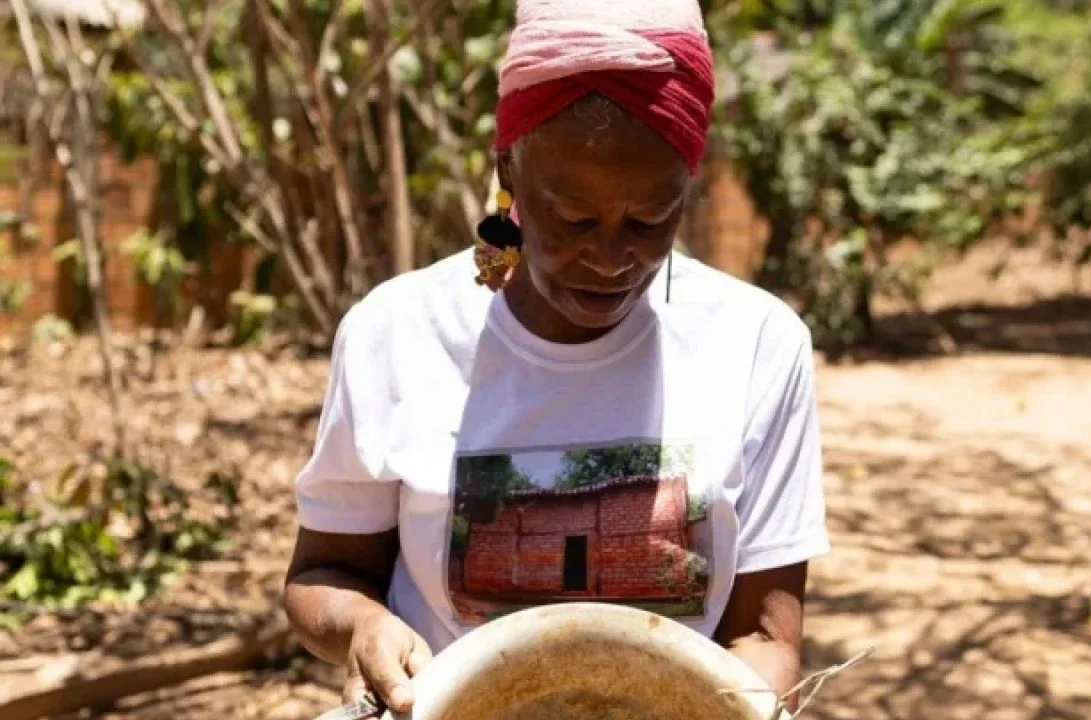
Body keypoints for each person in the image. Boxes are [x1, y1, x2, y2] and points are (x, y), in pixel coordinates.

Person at [283, 0, 829, 715]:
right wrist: (365, 626)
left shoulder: (757, 343)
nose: (609, 257)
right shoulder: (396, 333)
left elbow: (763, 634)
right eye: (572, 217)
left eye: (649, 219)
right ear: (509, 168)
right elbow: (326, 571)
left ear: (687, 186)